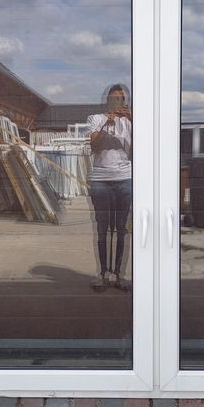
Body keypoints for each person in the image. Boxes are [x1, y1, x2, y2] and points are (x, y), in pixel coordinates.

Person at [87, 84, 132, 291]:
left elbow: (144, 146)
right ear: (107, 101)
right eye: (114, 99)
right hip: (100, 179)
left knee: (122, 229)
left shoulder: (130, 121)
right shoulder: (96, 119)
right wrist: (108, 122)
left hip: (124, 177)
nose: (117, 103)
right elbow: (94, 146)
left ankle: (119, 275)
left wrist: (133, 119)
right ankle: (103, 273)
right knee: (102, 228)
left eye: (121, 99)